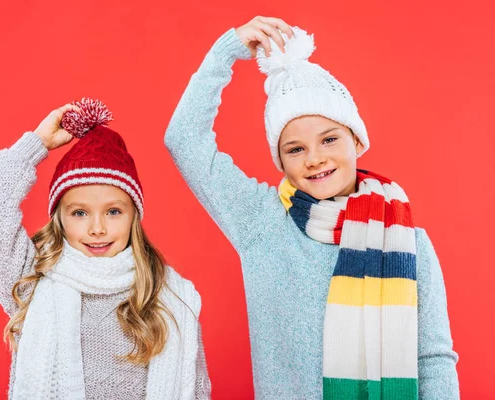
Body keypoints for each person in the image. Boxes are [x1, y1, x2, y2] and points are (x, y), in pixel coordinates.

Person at [164, 16, 459, 399]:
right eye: (295, 149)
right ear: (281, 163)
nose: (315, 159)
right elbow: (183, 140)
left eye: (330, 139)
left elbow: (434, 361)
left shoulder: (412, 245)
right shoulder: (263, 223)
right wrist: (227, 51)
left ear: (357, 140)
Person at [0, 98, 211, 399]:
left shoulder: (170, 296)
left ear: (135, 215)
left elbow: (195, 390)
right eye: (79, 213)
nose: (97, 228)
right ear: (60, 218)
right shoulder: (35, 281)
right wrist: (38, 143)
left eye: (113, 211)